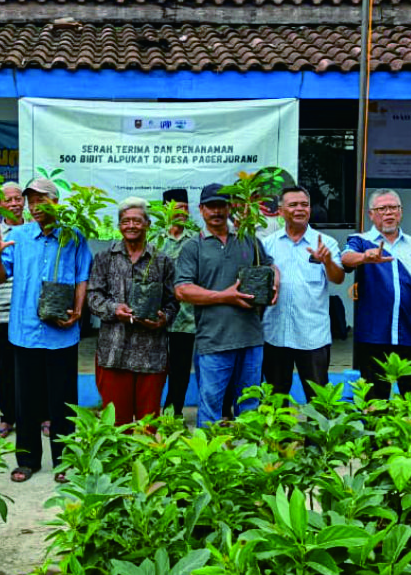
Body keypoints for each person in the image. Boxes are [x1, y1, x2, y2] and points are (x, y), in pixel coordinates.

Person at [0, 176, 90, 481]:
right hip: (25, 332)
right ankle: (28, 459)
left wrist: (79, 311)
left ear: (56, 202)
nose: (35, 206)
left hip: (62, 331)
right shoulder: (18, 236)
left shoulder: (73, 236)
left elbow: (82, 275)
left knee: (63, 401)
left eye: (41, 200)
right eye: (31, 201)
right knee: (26, 400)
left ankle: (64, 460)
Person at [174, 182, 277, 427]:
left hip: (251, 339)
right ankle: (209, 461)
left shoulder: (248, 240)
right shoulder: (193, 247)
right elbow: (182, 290)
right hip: (213, 341)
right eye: (211, 207)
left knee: (250, 406)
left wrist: (274, 284)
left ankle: (246, 460)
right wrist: (224, 296)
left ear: (230, 207)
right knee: (211, 408)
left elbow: (270, 266)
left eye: (221, 206)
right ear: (201, 209)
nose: (217, 211)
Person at [87, 197, 179, 425]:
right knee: (117, 424)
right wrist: (113, 308)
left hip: (151, 353)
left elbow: (173, 301)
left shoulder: (162, 260)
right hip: (114, 352)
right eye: (125, 221)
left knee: (149, 423)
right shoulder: (104, 258)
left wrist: (163, 319)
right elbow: (93, 296)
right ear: (119, 225)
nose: (131, 225)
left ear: (147, 224)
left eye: (137, 221)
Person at [342, 189, 411, 398]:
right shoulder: (359, 241)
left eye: (393, 207)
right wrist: (365, 257)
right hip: (372, 339)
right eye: (382, 208)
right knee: (374, 404)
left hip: (410, 337)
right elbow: (345, 259)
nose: (388, 213)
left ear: (401, 212)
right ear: (371, 214)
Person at [261, 185, 343, 393]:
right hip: (275, 334)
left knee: (318, 400)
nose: (300, 209)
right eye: (293, 205)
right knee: (275, 401)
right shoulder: (267, 245)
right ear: (280, 211)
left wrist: (327, 262)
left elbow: (338, 278)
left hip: (313, 336)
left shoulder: (326, 243)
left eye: (304, 205)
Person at [0, 181, 25, 435]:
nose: (14, 203)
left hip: (32, 312)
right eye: (8, 200)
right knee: (6, 367)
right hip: (2, 310)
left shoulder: (36, 229)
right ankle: (8, 417)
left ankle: (42, 415)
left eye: (18, 198)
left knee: (35, 365)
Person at [159, 188, 196, 416]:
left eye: (184, 208)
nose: (181, 212)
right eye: (176, 208)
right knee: (156, 365)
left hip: (186, 318)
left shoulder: (196, 241)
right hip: (157, 315)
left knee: (181, 367)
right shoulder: (154, 239)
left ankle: (175, 411)